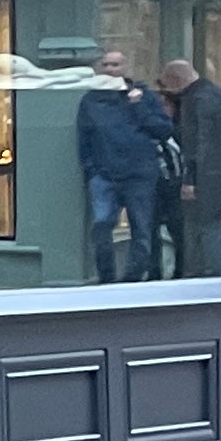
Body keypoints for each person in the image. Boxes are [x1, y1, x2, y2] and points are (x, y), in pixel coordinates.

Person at [77, 49, 175, 282]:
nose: (110, 70)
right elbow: (83, 139)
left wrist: (138, 105)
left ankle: (134, 278)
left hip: (138, 174)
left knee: (142, 229)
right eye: (106, 65)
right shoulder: (90, 100)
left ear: (126, 68)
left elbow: (163, 130)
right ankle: (106, 279)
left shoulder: (142, 95)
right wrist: (91, 171)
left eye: (116, 65)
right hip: (104, 175)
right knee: (101, 228)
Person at [160, 57, 221, 274]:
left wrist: (190, 179)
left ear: (176, 80)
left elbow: (199, 144)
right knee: (209, 224)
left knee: (207, 225)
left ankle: (211, 270)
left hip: (206, 174)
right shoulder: (218, 96)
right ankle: (209, 269)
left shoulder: (196, 101)